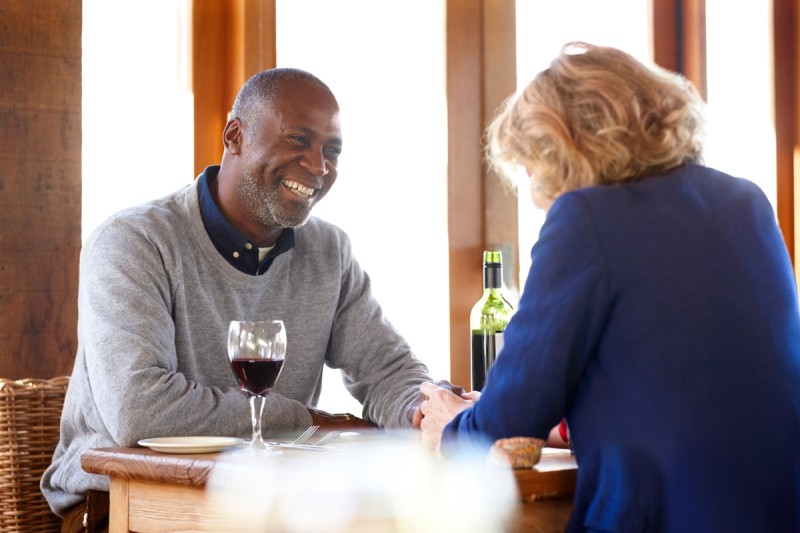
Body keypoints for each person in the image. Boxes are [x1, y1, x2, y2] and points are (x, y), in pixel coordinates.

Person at [43, 67, 456, 529]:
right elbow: (141, 411)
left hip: (261, 507)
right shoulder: (133, 242)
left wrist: (427, 413)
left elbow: (387, 370)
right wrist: (308, 421)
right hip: (124, 507)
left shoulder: (329, 251)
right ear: (235, 135)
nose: (319, 166)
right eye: (299, 140)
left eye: (332, 150)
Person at [419, 42, 800, 532]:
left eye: (535, 168)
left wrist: (449, 427)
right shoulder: (745, 200)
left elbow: (508, 420)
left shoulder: (587, 218)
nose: (537, 195)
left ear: (564, 147)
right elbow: (682, 385)